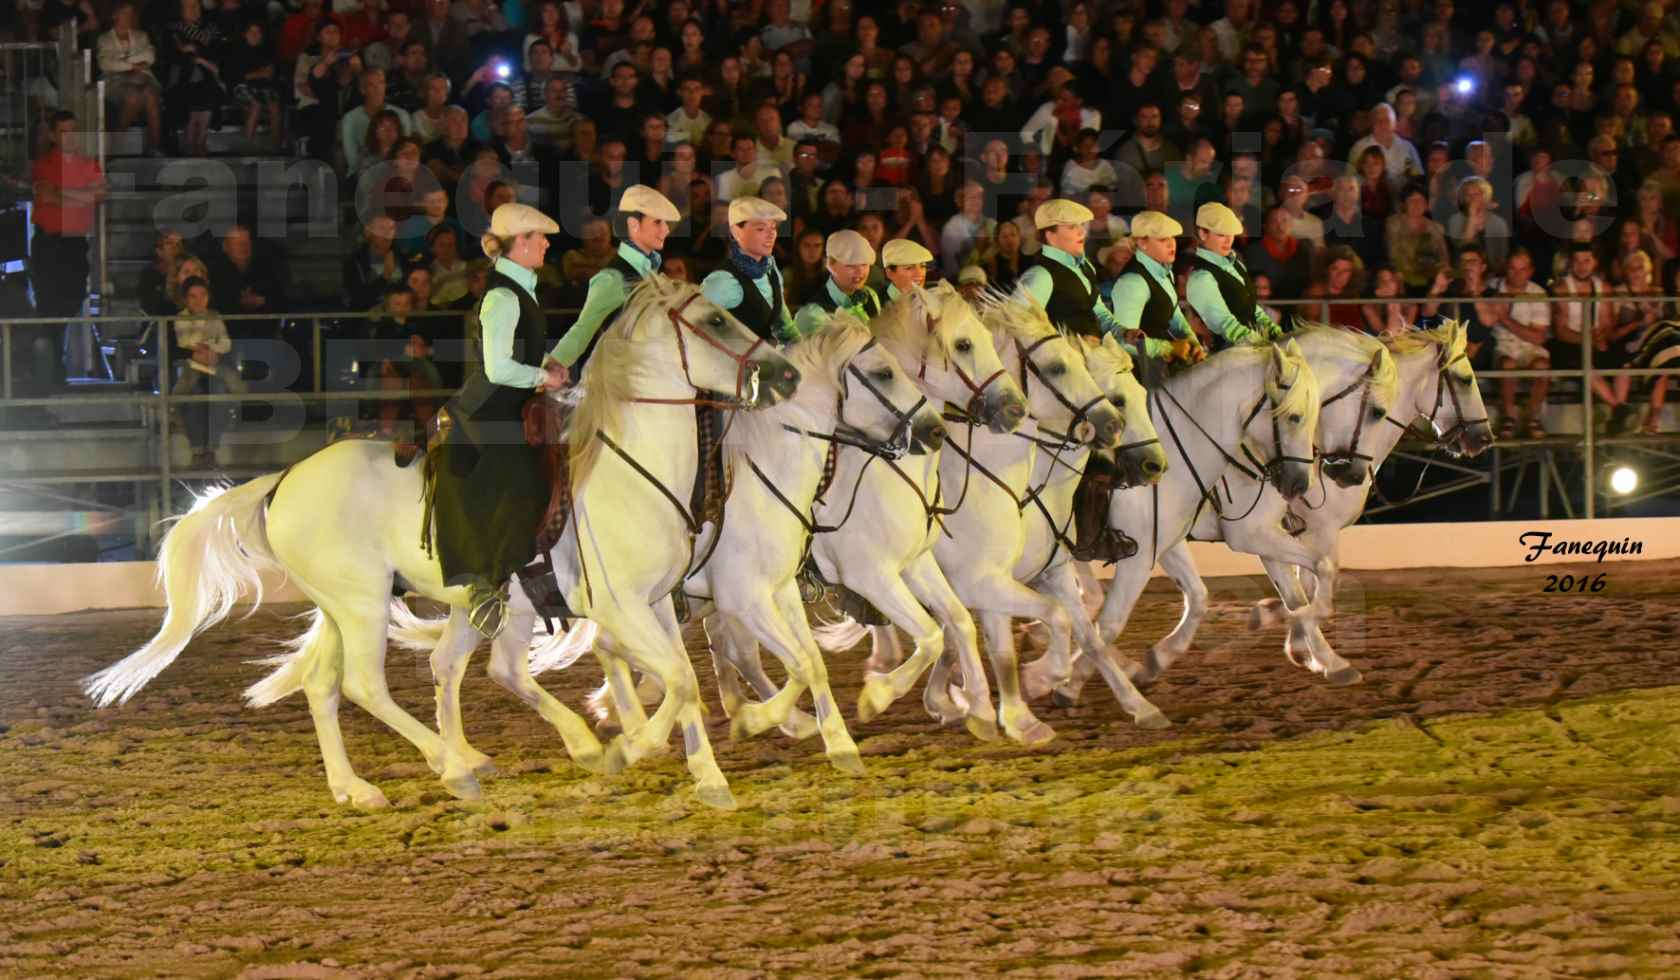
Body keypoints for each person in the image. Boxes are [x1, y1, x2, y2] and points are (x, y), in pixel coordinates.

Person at [429, 204, 570, 638]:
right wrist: (542, 375)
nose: (547, 244)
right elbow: (497, 367)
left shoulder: (521, 291)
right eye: (541, 238)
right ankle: (483, 587)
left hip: (515, 406)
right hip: (488, 411)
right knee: (513, 482)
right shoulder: (503, 296)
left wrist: (548, 365)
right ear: (522, 242)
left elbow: (521, 352)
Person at [549, 185, 681, 376]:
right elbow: (584, 328)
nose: (666, 230)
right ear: (633, 224)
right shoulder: (612, 278)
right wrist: (554, 365)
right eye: (658, 222)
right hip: (624, 381)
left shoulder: (653, 273)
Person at [28, 111, 106, 390]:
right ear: (52, 135)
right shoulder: (43, 164)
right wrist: (79, 194)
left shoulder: (89, 163)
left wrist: (64, 194)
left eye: (74, 130)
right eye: (64, 131)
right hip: (49, 242)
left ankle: (51, 365)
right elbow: (47, 194)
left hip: (74, 242)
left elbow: (98, 195)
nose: (70, 136)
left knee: (71, 300)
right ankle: (50, 369)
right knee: (49, 304)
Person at [1016, 199, 1130, 343]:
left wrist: (1123, 332)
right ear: (1051, 236)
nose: (1082, 231)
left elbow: (1098, 311)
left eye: (1081, 225)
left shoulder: (1085, 266)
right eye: (1071, 227)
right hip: (1063, 363)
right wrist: (1073, 341)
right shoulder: (1041, 275)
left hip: (1093, 358)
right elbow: (1019, 328)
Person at [171, 276, 247, 469]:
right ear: (186, 299)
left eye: (203, 295)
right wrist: (203, 347)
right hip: (192, 368)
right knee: (194, 399)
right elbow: (185, 342)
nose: (199, 300)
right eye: (193, 296)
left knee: (219, 395)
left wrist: (208, 348)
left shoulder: (215, 316)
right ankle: (197, 451)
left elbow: (225, 344)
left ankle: (212, 449)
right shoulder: (181, 318)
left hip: (214, 368)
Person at [1185, 202, 1282, 351]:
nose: (1228, 240)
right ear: (1202, 234)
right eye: (1221, 234)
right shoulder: (1201, 277)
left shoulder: (1236, 264)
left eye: (1231, 233)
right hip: (1224, 357)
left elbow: (1252, 308)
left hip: (1250, 349)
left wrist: (1274, 331)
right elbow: (1223, 324)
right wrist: (1259, 341)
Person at [701, 196, 795, 343]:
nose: (771, 235)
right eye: (761, 229)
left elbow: (785, 327)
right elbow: (699, 332)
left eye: (773, 228)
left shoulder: (771, 269)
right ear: (736, 232)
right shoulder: (722, 281)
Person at [792, 230, 881, 337]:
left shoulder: (870, 295)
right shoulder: (813, 313)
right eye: (851, 265)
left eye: (864, 264)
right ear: (831, 264)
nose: (860, 272)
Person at [880, 238, 934, 305]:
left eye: (922, 266)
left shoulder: (933, 296)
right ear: (889, 273)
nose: (919, 273)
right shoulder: (877, 305)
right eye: (909, 268)